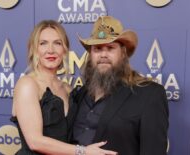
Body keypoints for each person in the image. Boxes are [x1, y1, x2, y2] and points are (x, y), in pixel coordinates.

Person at [11, 20, 117, 155]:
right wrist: (83, 151)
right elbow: (34, 142)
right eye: (43, 43)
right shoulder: (27, 84)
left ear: (65, 49)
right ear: (34, 49)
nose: (50, 50)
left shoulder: (67, 89)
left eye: (57, 43)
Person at [67, 16, 169, 155]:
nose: (103, 54)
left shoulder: (149, 94)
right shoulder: (80, 94)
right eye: (97, 48)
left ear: (123, 53)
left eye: (110, 48)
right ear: (90, 54)